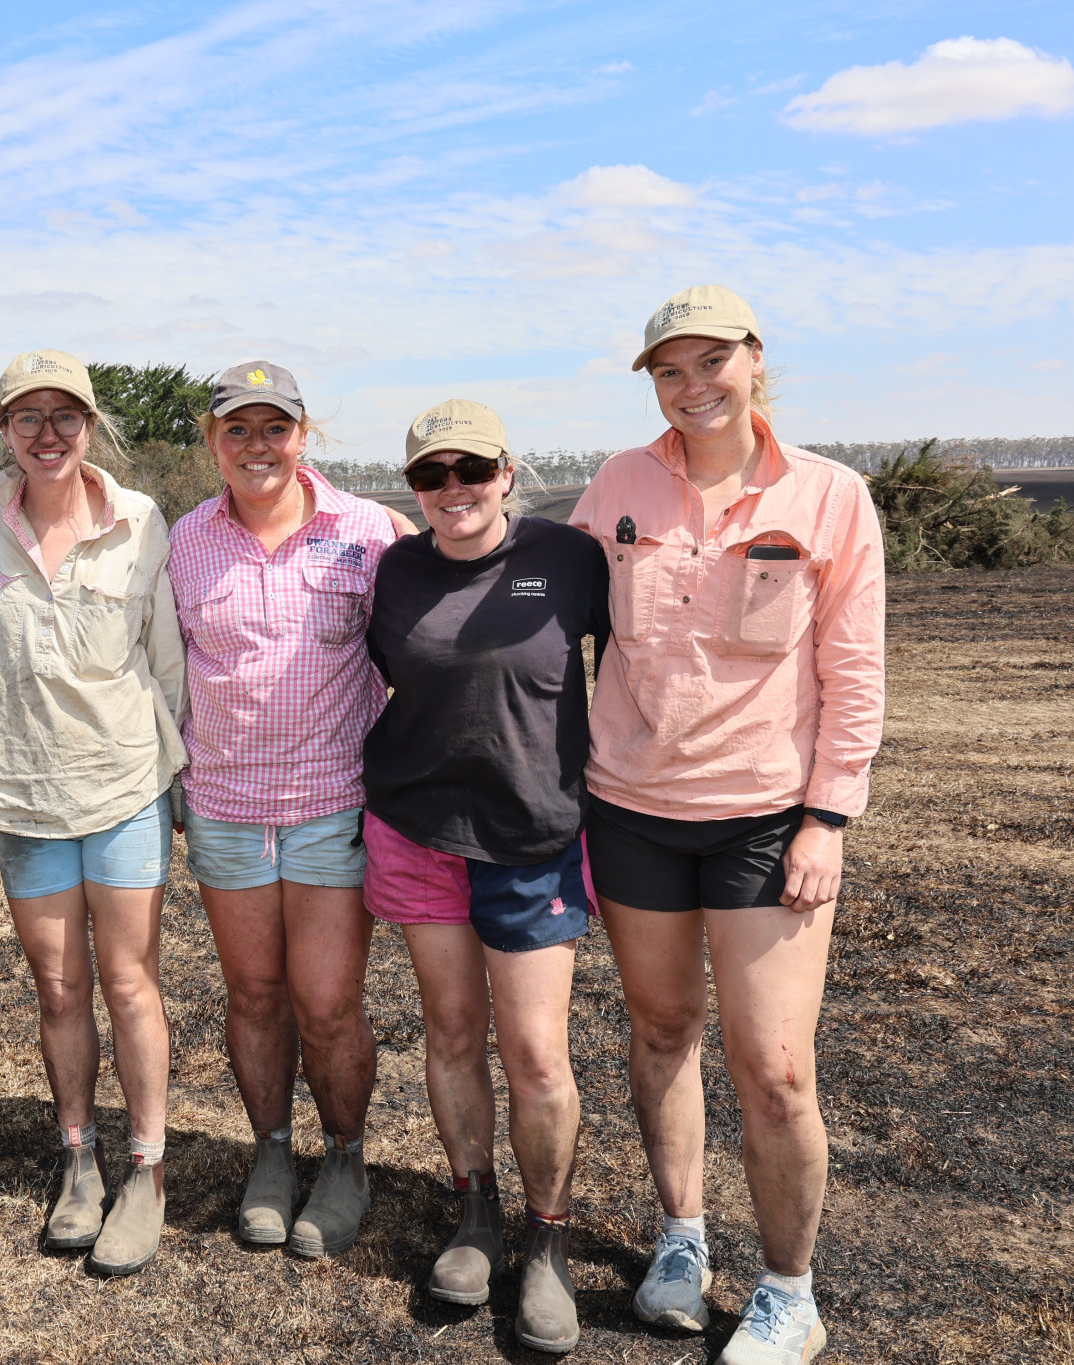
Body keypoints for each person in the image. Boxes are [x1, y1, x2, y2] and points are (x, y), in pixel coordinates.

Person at [571, 286, 884, 1365]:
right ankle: (679, 1237)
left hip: (764, 820)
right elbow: (547, 608)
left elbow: (852, 669)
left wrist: (825, 817)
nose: (691, 385)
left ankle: (788, 1293)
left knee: (775, 1068)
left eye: (711, 362)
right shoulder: (616, 485)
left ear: (753, 359)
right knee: (660, 1031)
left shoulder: (830, 496)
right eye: (669, 369)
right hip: (629, 810)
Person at [363, 401, 608, 1353]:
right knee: (454, 1030)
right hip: (419, 830)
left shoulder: (571, 558)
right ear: (414, 488)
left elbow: (637, 659)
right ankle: (476, 1211)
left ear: (508, 471)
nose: (452, 488)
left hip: (534, 832)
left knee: (538, 1052)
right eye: (432, 474)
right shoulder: (395, 568)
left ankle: (546, 1245)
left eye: (472, 468)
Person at [167, 360, 413, 1259]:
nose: (257, 446)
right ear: (213, 441)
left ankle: (345, 1157)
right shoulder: (183, 540)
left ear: (304, 436)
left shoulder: (371, 532)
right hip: (226, 806)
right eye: (238, 429)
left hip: (332, 804)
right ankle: (271, 1152)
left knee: (328, 1001)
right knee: (255, 993)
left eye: (275, 428)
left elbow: (411, 666)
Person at [0, 350, 186, 1276]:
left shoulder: (140, 522)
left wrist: (178, 780)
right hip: (22, 792)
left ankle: (148, 1168)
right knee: (58, 987)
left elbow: (165, 659)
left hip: (125, 784)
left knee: (130, 982)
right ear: (3, 429)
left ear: (91, 426)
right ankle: (79, 1156)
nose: (47, 434)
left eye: (66, 416)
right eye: (27, 417)